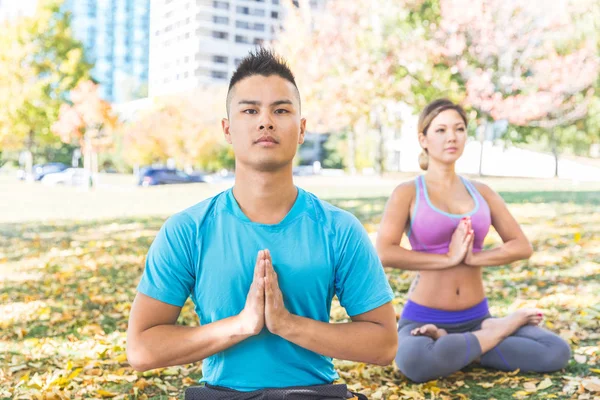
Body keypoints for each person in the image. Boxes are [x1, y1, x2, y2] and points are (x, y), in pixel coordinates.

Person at [126, 48, 397, 399]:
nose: (265, 121)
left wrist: (288, 325)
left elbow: (384, 344)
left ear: (301, 130)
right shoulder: (187, 230)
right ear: (228, 128)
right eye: (250, 110)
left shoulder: (339, 229)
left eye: (281, 110)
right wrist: (242, 325)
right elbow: (142, 349)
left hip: (312, 393)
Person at [376, 99, 571, 383]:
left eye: (459, 129)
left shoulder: (482, 191)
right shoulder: (407, 192)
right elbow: (384, 252)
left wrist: (474, 258)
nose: (452, 137)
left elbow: (521, 245)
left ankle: (465, 342)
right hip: (424, 318)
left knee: (555, 351)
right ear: (424, 139)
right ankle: (494, 334)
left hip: (477, 315)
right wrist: (447, 259)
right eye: (441, 130)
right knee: (413, 362)